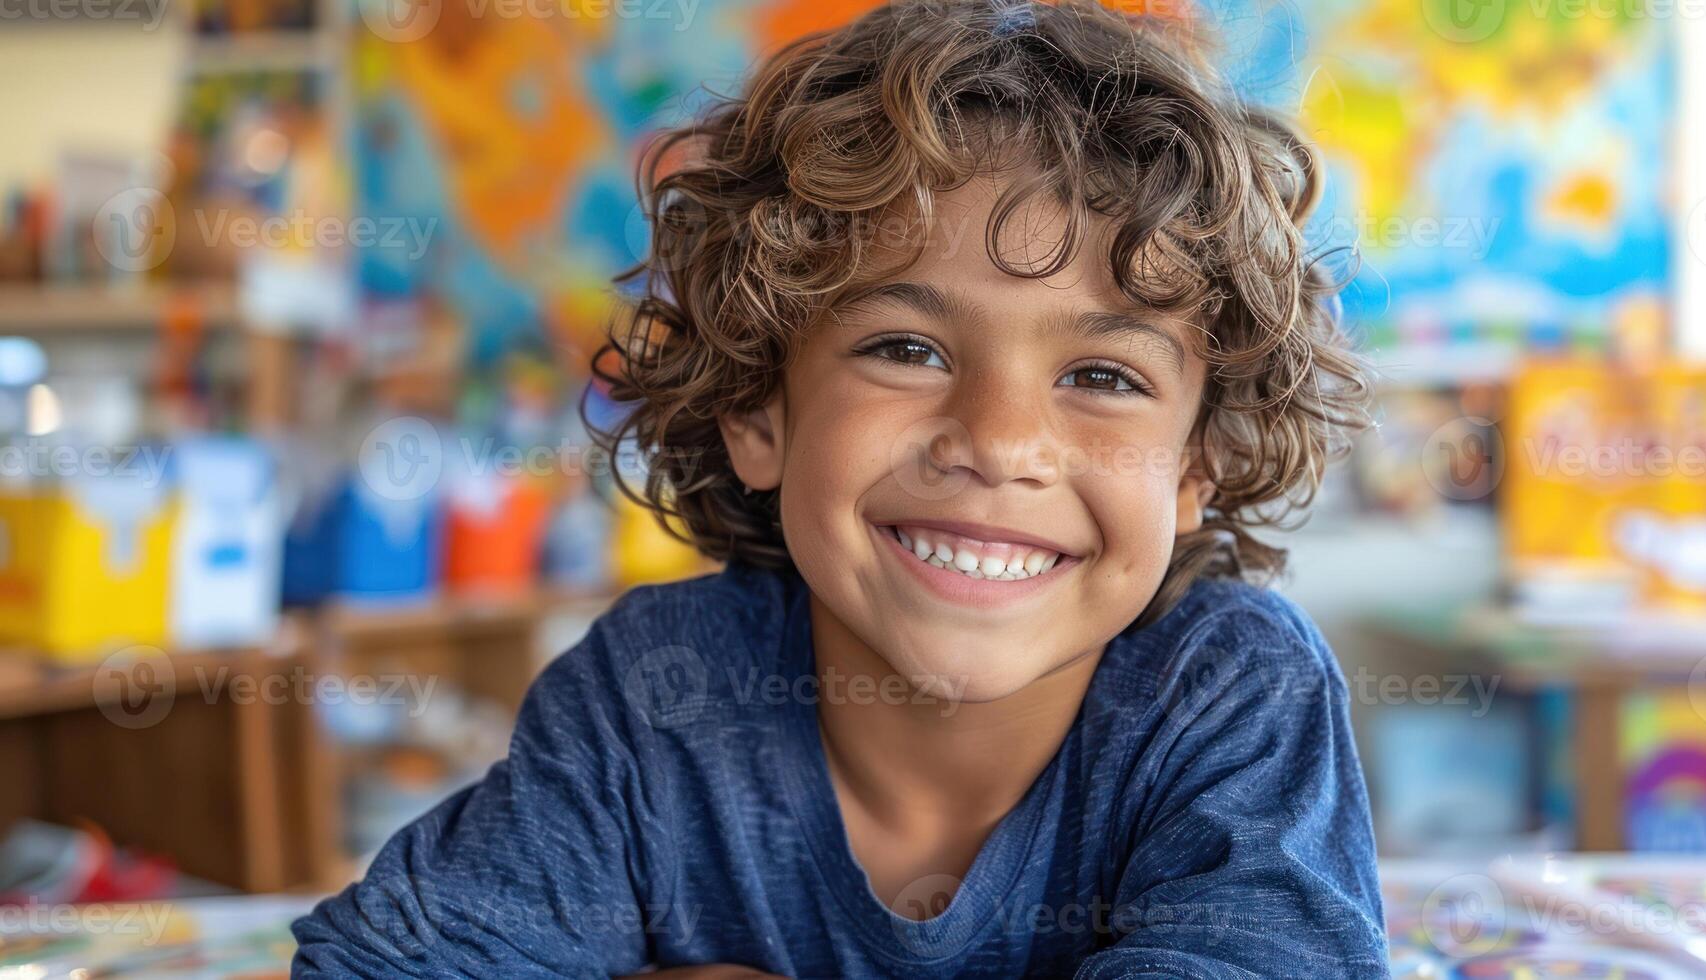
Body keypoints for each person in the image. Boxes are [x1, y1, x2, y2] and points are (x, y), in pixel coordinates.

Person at [293, 1, 1388, 975]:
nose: (1001, 441)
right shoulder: (655, 698)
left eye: (1103, 376)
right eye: (907, 349)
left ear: (1198, 463)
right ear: (761, 407)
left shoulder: (1231, 690)